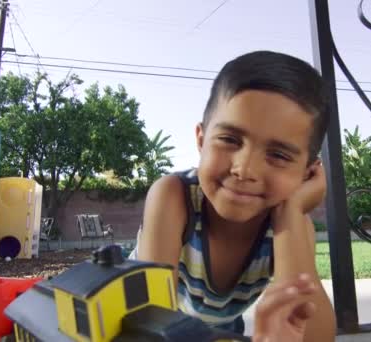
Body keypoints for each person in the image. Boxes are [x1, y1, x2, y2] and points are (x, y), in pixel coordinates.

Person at [129, 50, 336, 341]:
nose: (244, 169)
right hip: (136, 314)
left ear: (306, 173)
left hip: (220, 326)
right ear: (201, 140)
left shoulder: (291, 226)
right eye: (229, 139)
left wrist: (291, 212)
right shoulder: (173, 196)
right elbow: (151, 322)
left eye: (278, 155)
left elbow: (314, 337)